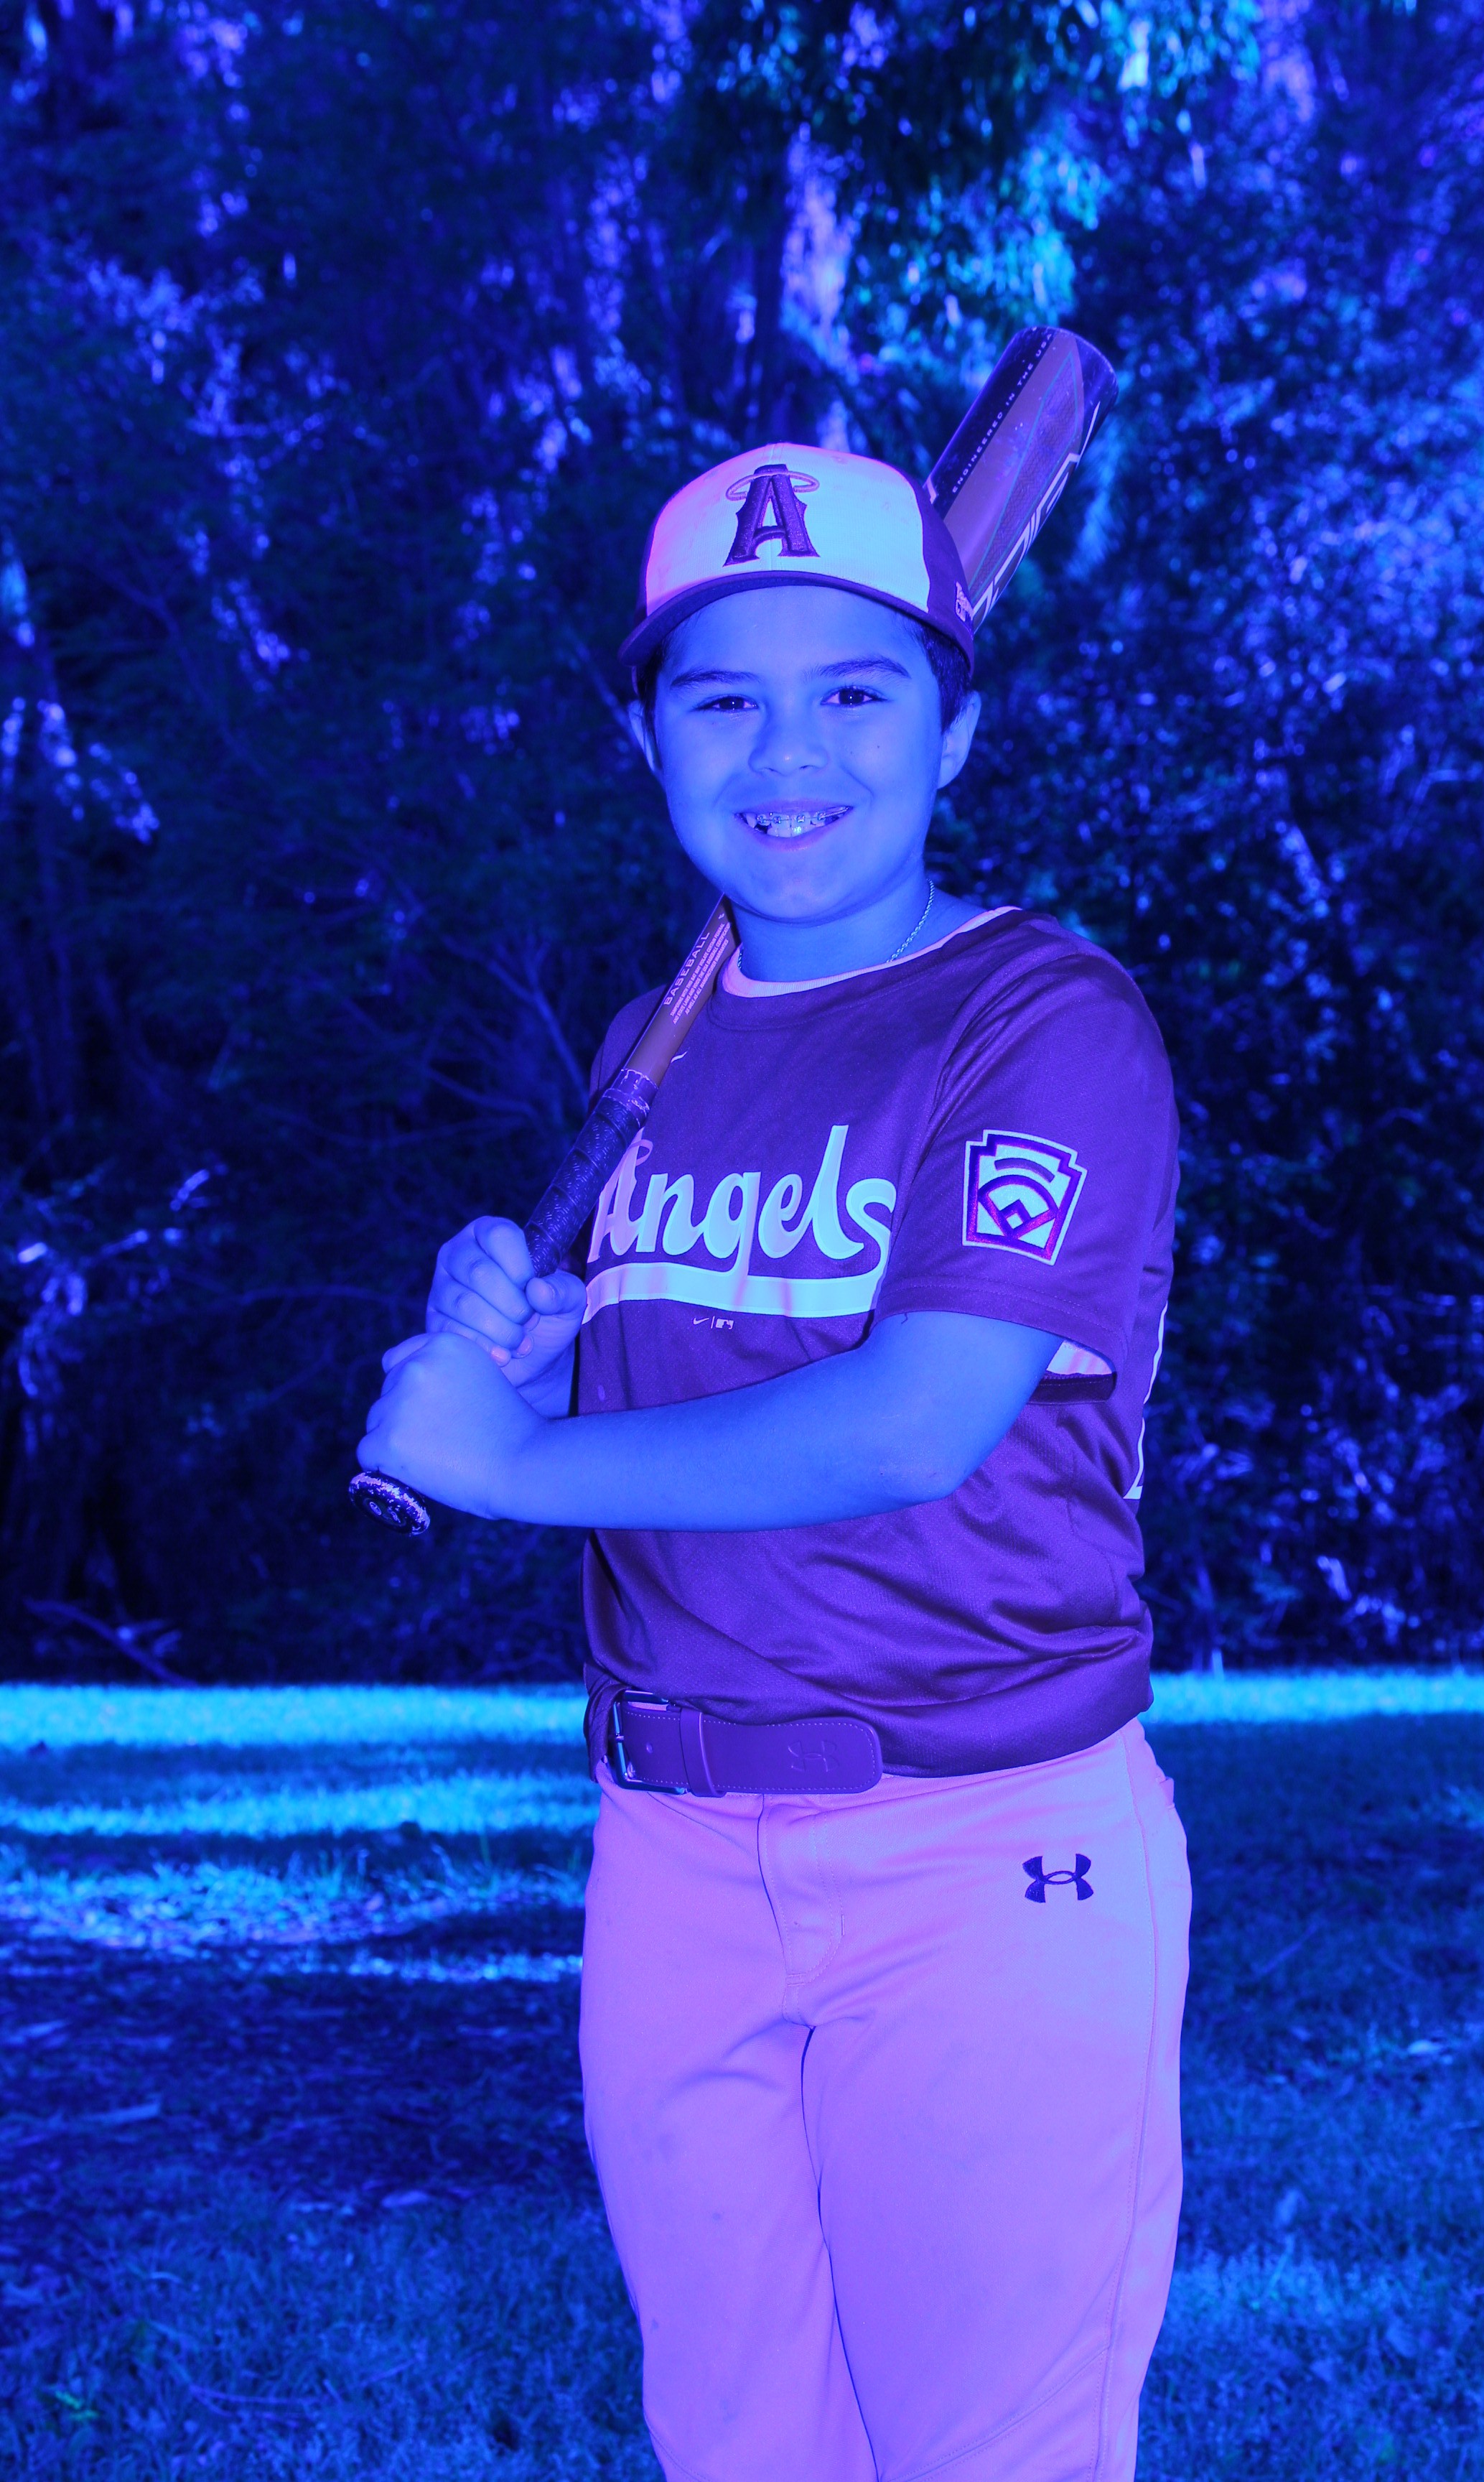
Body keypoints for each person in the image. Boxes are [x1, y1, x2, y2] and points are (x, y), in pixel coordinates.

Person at [357, 441, 1190, 2482]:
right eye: (724, 698)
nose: (789, 752)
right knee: (740, 2447)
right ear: (650, 738)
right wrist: (543, 1353)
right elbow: (677, 1420)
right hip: (672, 1847)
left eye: (858, 691)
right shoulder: (660, 1041)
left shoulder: (1040, 1021)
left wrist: (505, 1467)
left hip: (980, 1844)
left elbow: (915, 1421)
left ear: (955, 731)